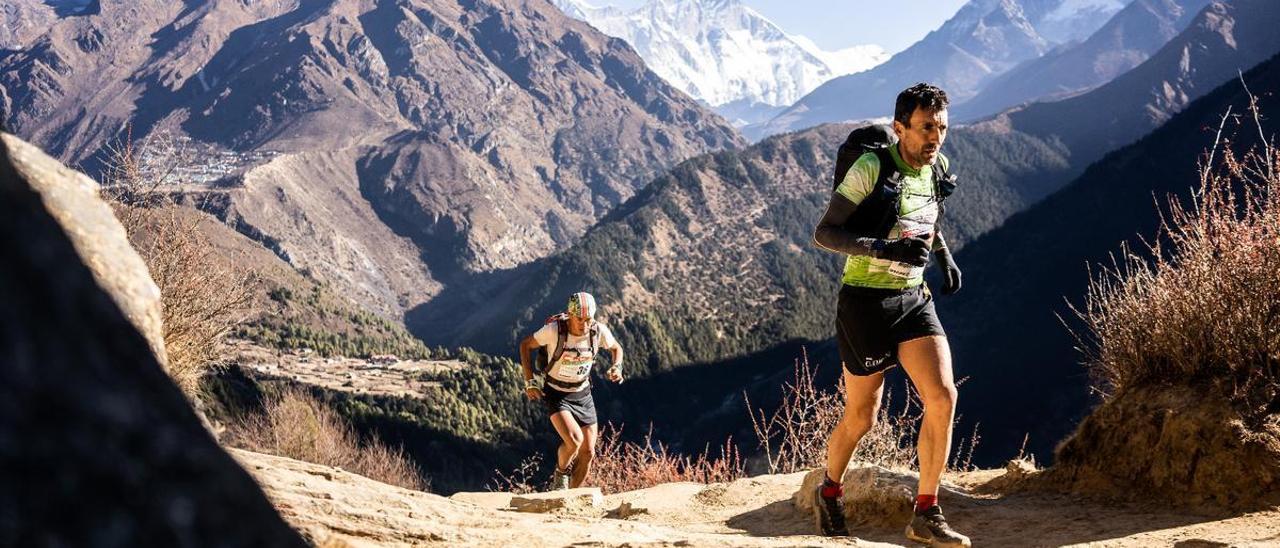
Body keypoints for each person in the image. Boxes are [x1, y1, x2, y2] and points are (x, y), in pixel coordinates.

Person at [810, 83, 969, 547]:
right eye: (924, 128)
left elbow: (927, 215)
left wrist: (942, 254)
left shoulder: (937, 166)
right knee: (862, 417)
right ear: (900, 127)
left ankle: (926, 512)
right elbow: (825, 233)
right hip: (864, 302)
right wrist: (885, 247)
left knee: (943, 397)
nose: (934, 137)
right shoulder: (871, 167)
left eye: (941, 126)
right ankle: (830, 490)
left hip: (913, 299)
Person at [518, 292, 624, 490]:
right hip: (556, 393)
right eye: (579, 319)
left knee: (589, 452)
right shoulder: (554, 330)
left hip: (583, 393)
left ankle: (572, 496)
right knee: (575, 440)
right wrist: (529, 381)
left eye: (588, 319)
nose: (584, 324)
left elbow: (616, 347)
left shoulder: (597, 331)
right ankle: (561, 474)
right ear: (569, 314)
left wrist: (616, 367)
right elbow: (525, 345)